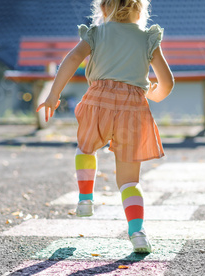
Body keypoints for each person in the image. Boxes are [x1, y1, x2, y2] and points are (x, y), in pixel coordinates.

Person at [36, 0, 174, 253]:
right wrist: (154, 95)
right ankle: (137, 232)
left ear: (102, 10)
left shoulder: (96, 34)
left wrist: (54, 95)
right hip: (133, 109)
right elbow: (167, 82)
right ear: (140, 11)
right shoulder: (148, 39)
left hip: (98, 102)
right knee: (130, 181)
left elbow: (72, 59)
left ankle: (86, 198)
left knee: (86, 149)